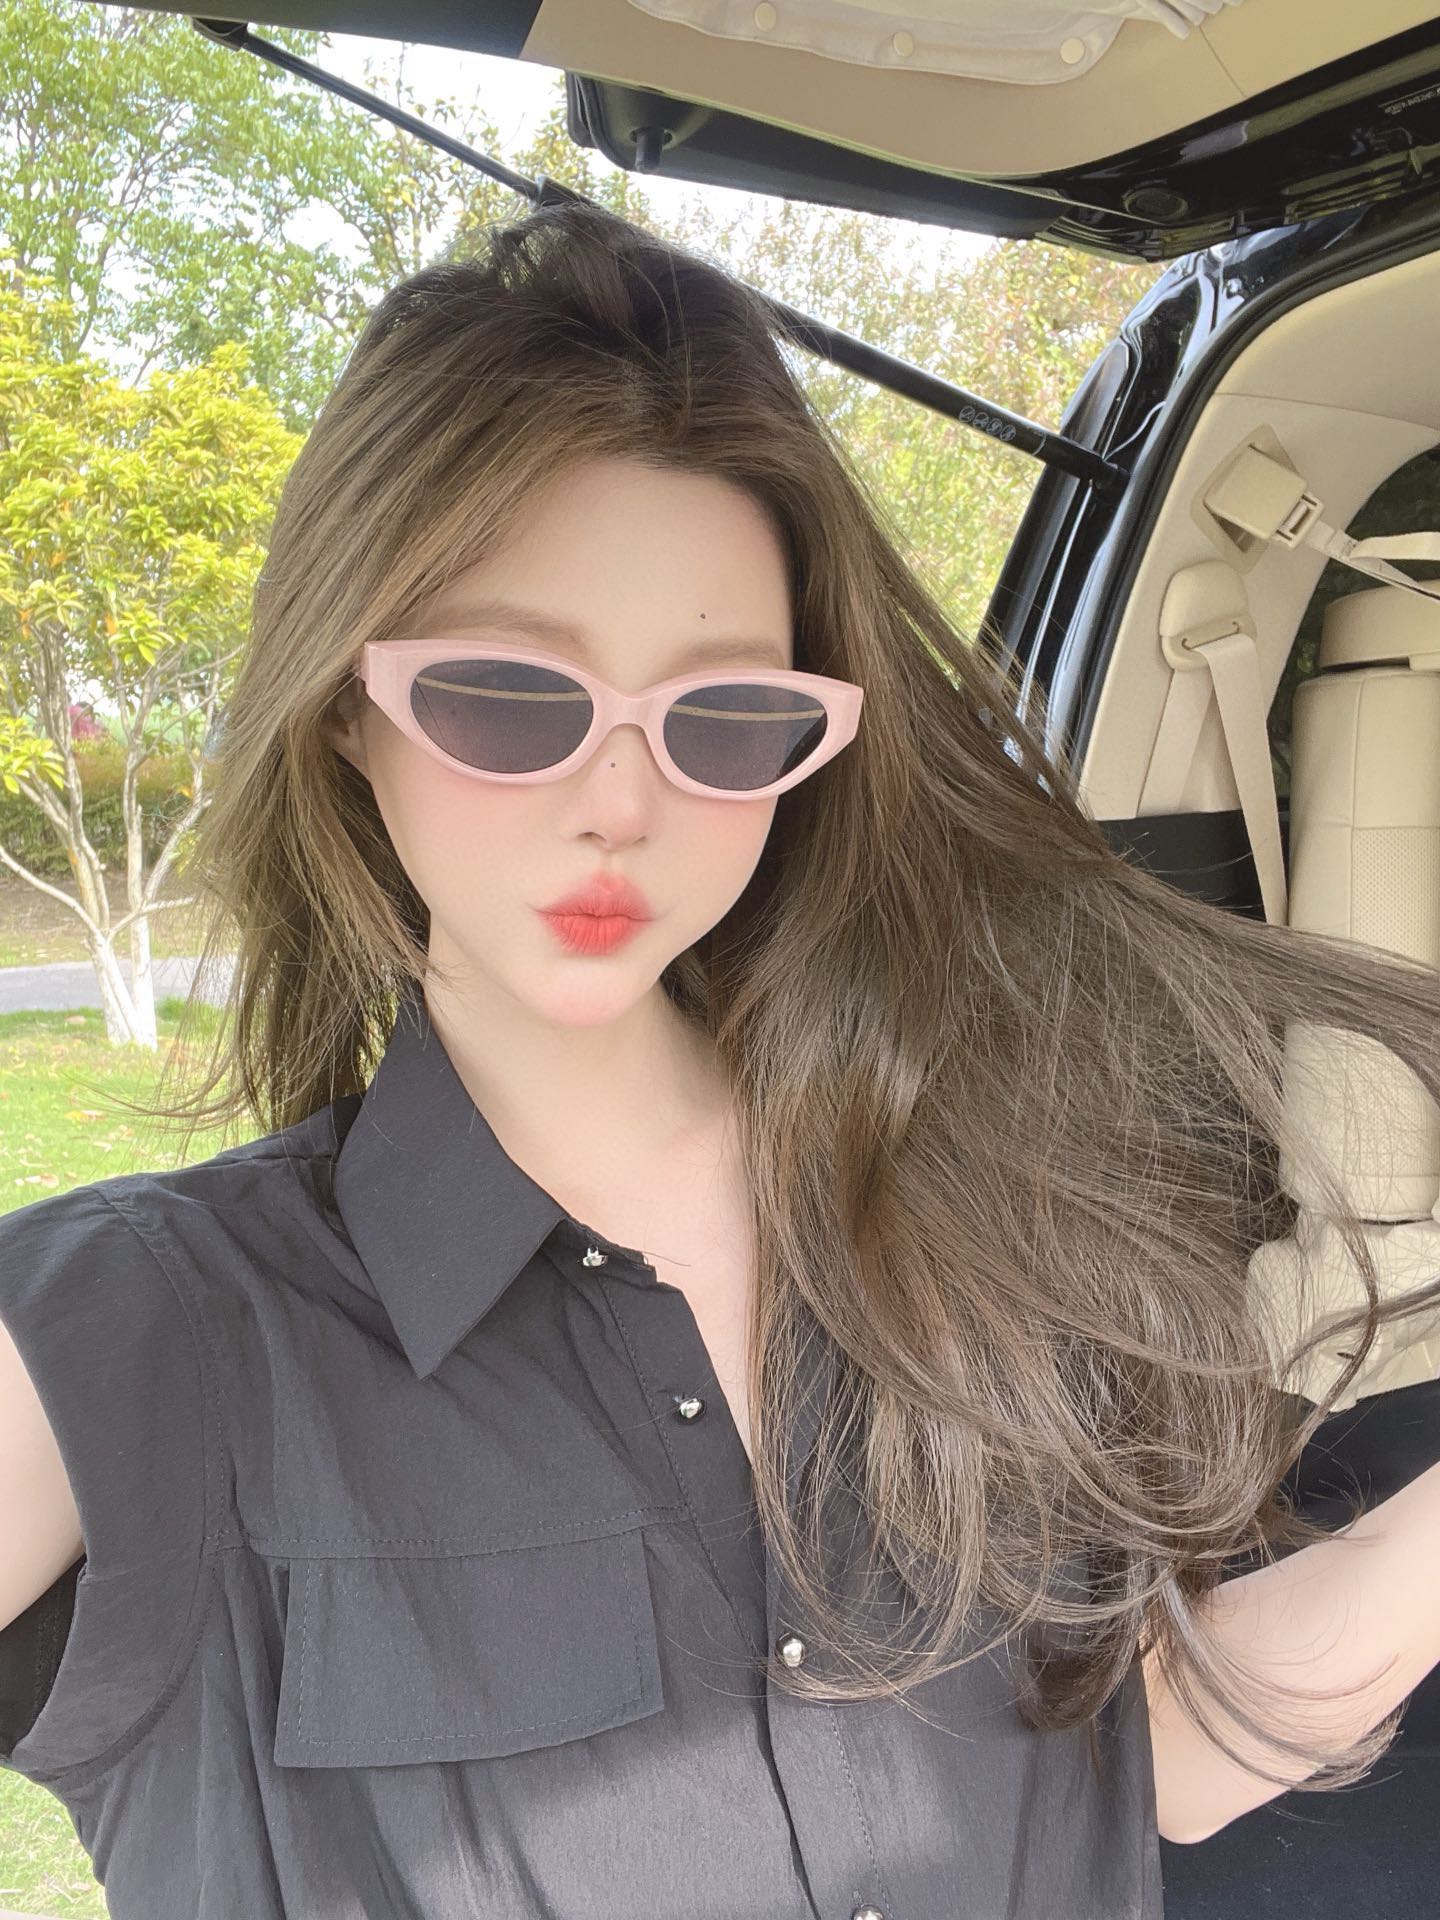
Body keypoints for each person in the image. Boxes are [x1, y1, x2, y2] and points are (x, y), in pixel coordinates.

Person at [2, 194, 1440, 1920]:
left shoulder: (980, 1208)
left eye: (729, 717)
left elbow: (1147, 1754)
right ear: (346, 711)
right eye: (509, 699)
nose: (623, 802)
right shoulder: (143, 1335)